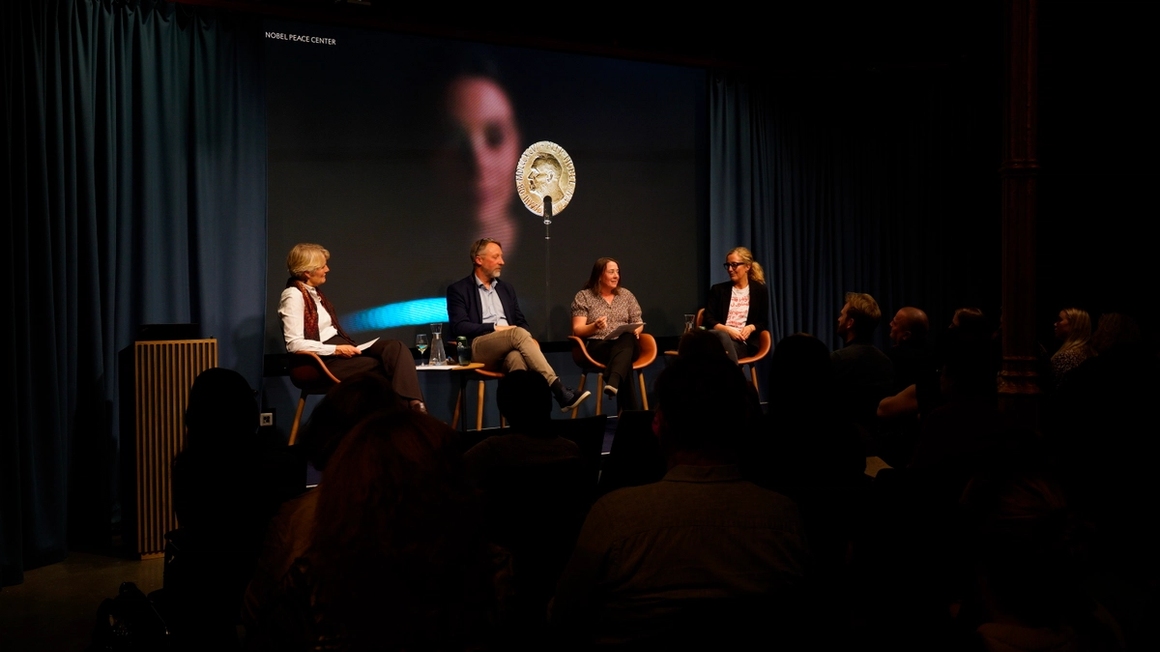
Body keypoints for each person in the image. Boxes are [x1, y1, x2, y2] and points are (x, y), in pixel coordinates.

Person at [549, 355, 809, 647]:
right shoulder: (784, 519)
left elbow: (563, 620)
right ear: (744, 423)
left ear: (657, 425)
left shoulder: (613, 517)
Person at [446, 238, 590, 412]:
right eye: (496, 257)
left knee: (516, 358)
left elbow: (521, 321)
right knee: (517, 333)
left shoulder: (506, 289)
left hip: (510, 345)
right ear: (479, 260)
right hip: (478, 347)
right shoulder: (459, 290)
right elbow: (460, 326)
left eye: (502, 256)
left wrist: (527, 338)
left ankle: (521, 419)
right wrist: (495, 328)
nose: (502, 262)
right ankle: (558, 389)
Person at [278, 243, 425, 412]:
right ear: (307, 272)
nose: (327, 269)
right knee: (383, 367)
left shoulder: (315, 294)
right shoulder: (293, 296)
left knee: (395, 348)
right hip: (321, 361)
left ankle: (413, 407)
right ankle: (413, 413)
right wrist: (336, 350)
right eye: (322, 266)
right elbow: (294, 344)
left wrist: (341, 348)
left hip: (340, 351)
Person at [570, 257, 644, 409]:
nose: (616, 276)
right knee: (624, 362)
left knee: (627, 338)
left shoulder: (626, 295)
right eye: (611, 272)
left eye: (617, 272)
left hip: (626, 343)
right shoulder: (584, 297)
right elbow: (578, 329)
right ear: (599, 275)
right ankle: (630, 413)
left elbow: (638, 321)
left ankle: (613, 380)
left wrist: (636, 329)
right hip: (600, 346)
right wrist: (594, 326)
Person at [702, 246, 770, 364]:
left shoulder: (759, 290)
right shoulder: (718, 290)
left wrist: (750, 327)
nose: (730, 269)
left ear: (747, 266)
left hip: (742, 343)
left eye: (734, 265)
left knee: (715, 351)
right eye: (728, 265)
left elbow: (763, 322)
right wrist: (726, 330)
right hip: (717, 338)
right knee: (718, 339)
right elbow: (708, 318)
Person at [1050, 307, 1094, 388]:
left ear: (1074, 324)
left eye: (1060, 320)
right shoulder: (1088, 351)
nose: (1055, 324)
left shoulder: (1066, 357)